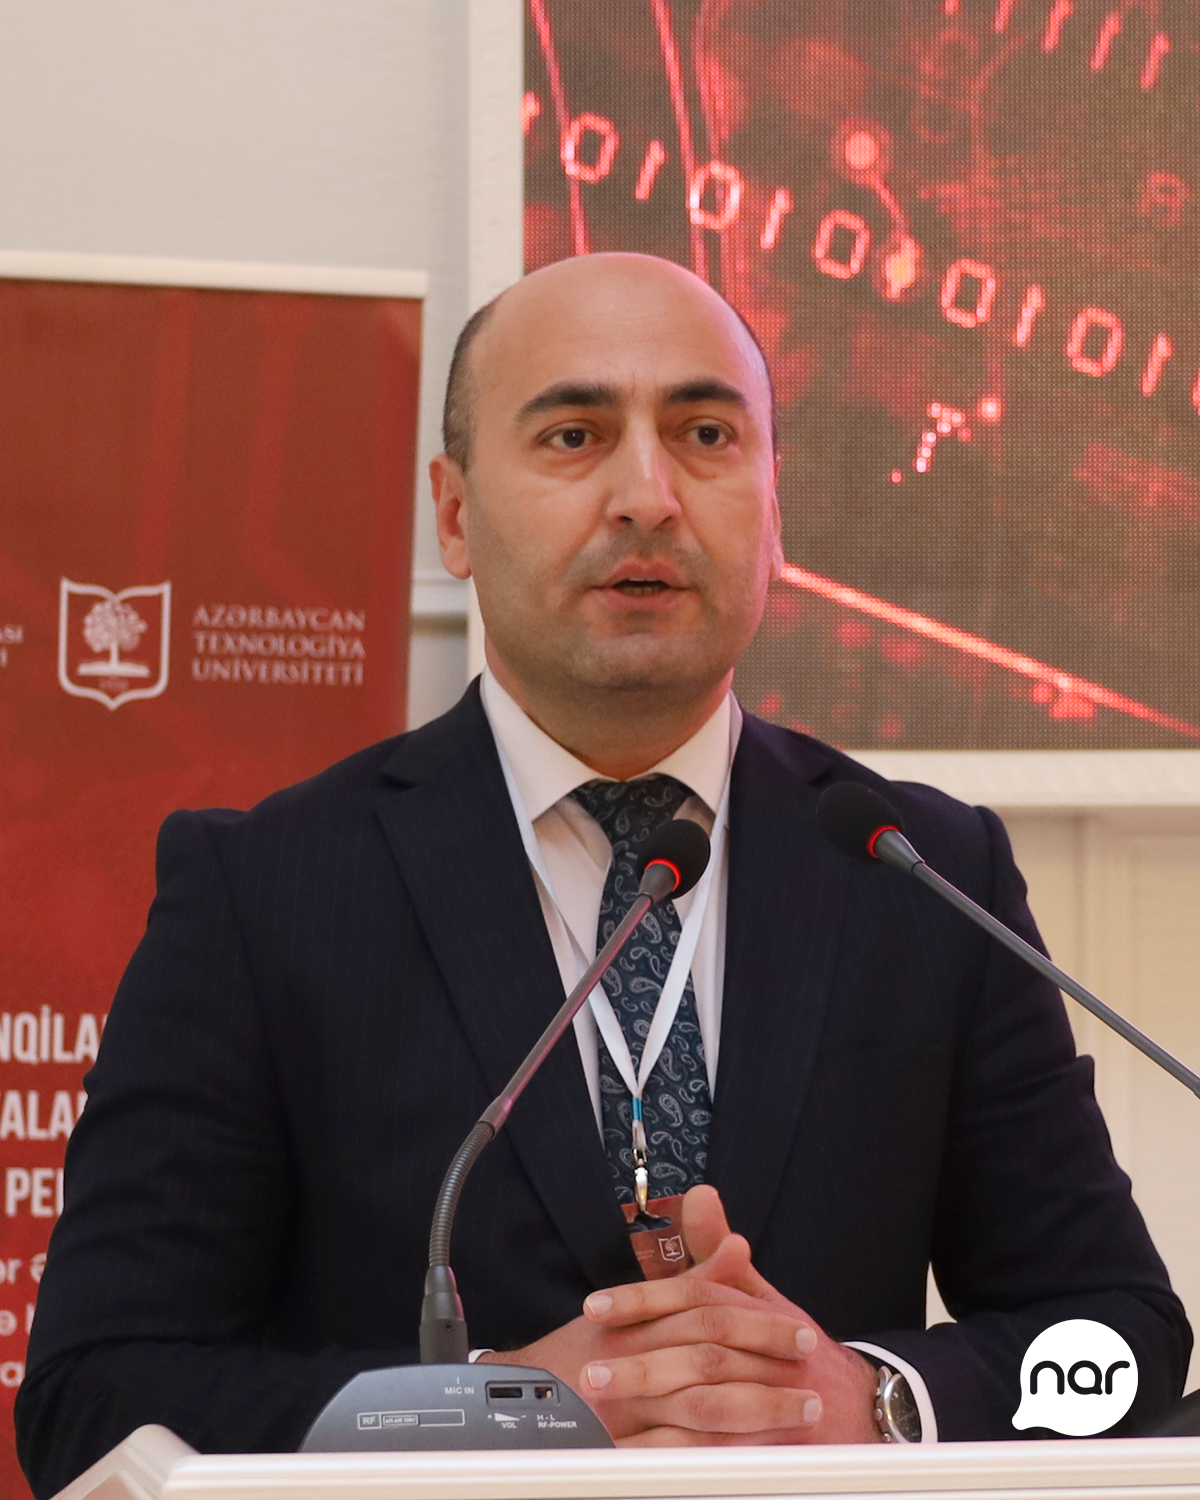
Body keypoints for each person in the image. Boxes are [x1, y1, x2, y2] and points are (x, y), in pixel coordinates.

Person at [15, 254, 1190, 1496]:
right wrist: (479, 1412)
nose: (648, 496)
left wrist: (880, 1399)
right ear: (454, 516)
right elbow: (97, 1395)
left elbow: (1118, 1339)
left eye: (705, 435)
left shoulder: (923, 873)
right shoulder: (265, 892)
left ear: (774, 508)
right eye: (574, 435)